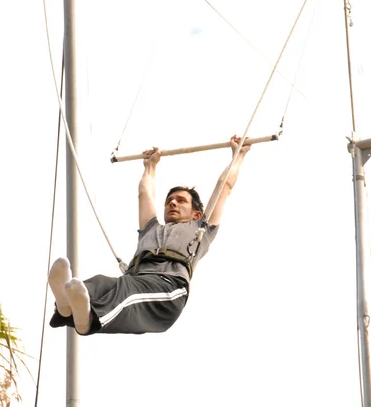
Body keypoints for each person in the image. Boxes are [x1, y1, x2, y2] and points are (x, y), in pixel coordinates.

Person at [48, 135, 251, 335]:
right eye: (169, 200)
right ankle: (65, 306)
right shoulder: (152, 229)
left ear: (196, 213)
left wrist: (238, 155)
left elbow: (224, 186)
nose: (172, 203)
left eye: (181, 201)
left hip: (168, 289)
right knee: (102, 283)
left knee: (127, 291)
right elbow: (145, 193)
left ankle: (89, 320)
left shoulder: (202, 228)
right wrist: (150, 166)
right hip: (136, 279)